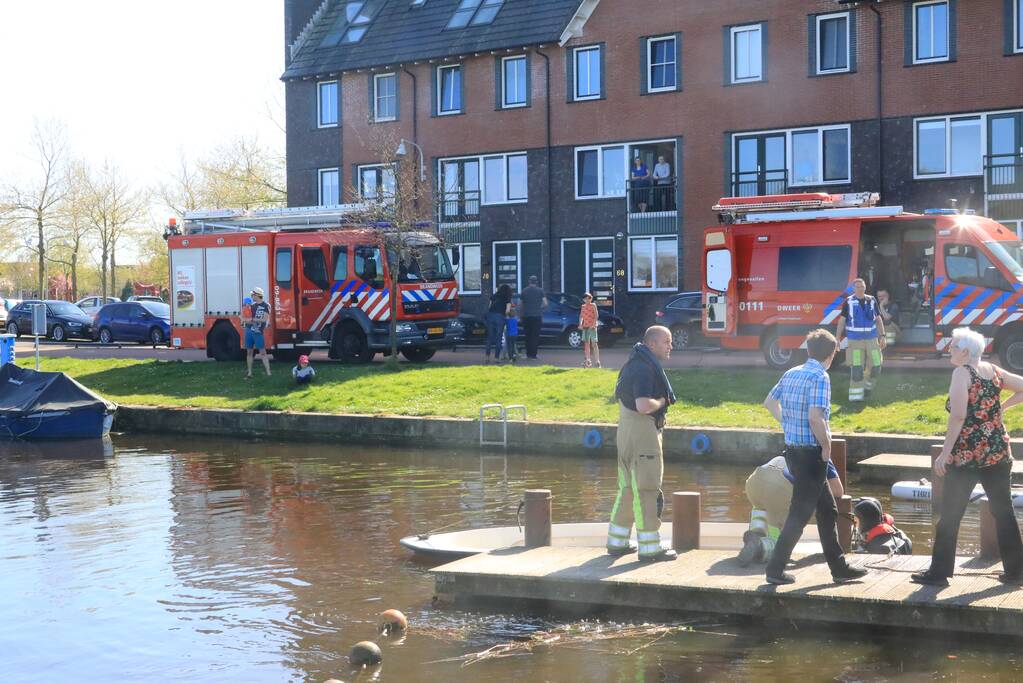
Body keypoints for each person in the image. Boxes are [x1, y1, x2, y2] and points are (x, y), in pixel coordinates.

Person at [911, 327, 1023, 587]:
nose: (949, 348)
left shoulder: (962, 373)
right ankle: (1017, 571)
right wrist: (1000, 408)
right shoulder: (994, 371)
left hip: (968, 455)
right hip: (997, 451)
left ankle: (939, 573)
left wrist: (944, 453)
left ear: (965, 351)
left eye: (953, 345)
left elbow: (958, 415)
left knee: (950, 513)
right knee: (1003, 511)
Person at [762, 328, 867, 585]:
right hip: (812, 454)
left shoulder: (791, 372)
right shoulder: (820, 377)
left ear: (808, 350)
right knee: (799, 514)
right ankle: (775, 569)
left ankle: (838, 567)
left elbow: (769, 402)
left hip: (794, 452)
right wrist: (827, 447)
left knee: (828, 511)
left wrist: (786, 422)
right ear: (832, 354)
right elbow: (815, 417)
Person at [606, 326, 677, 562]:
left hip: (626, 431)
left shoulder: (632, 363)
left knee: (627, 488)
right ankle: (650, 547)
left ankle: (617, 541)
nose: (671, 346)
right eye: (667, 342)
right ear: (652, 344)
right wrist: (662, 400)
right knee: (647, 488)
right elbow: (643, 406)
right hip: (642, 430)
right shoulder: (645, 368)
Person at [738, 455, 844, 566]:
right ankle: (762, 546)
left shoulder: (790, 449)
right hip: (779, 489)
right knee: (783, 544)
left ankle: (756, 533)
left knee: (761, 504)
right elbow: (838, 491)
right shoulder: (822, 454)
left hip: (753, 482)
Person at [835, 278, 886, 401]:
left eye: (862, 286)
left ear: (865, 287)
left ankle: (868, 388)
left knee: (876, 366)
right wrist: (837, 338)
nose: (860, 289)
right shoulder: (848, 302)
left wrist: (883, 336)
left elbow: (878, 319)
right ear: (853, 289)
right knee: (857, 370)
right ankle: (856, 399)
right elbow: (842, 321)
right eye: (857, 287)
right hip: (855, 342)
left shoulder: (872, 300)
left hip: (872, 340)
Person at [243, 287, 272, 379]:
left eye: (253, 294)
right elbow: (246, 320)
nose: (251, 296)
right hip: (249, 331)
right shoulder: (251, 306)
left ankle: (268, 372)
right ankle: (249, 373)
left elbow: (264, 319)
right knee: (249, 352)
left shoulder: (266, 305)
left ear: (257, 295)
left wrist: (253, 319)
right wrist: (246, 319)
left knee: (263, 352)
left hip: (258, 332)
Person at [520, 275, 546, 361]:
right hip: (537, 316)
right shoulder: (540, 291)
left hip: (526, 316)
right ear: (536, 282)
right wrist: (539, 307)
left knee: (528, 336)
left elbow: (521, 304)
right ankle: (534, 355)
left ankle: (528, 355)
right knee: (535, 336)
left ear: (529, 282)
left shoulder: (524, 291)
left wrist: (521, 315)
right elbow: (545, 303)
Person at [484, 284, 512, 363]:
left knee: (490, 337)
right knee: (499, 337)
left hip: (491, 316)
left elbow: (489, 307)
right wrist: (507, 317)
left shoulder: (493, 296)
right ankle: (496, 358)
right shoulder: (507, 298)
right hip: (500, 317)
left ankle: (487, 357)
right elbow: (507, 311)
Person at [579, 292, 600, 368]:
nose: (587, 300)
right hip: (585, 327)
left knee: (594, 343)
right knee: (586, 344)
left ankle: (597, 361)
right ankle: (588, 360)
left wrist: (594, 324)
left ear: (591, 298)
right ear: (583, 299)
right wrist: (580, 324)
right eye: (585, 299)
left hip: (592, 327)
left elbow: (596, 315)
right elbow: (581, 316)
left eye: (589, 298)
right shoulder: (583, 306)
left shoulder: (593, 305)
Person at [504, 296, 520, 362]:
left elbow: (506, 316)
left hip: (508, 335)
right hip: (515, 334)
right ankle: (514, 356)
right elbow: (518, 319)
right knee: (513, 346)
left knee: (509, 346)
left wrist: (507, 313)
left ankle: (510, 358)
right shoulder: (516, 320)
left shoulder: (507, 320)